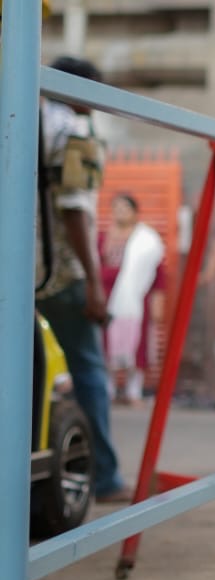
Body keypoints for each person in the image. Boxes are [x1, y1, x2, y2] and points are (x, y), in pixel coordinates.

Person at [36, 57, 129, 503]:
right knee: (90, 372)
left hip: (19, 271)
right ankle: (106, 476)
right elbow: (76, 208)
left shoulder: (26, 113)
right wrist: (94, 283)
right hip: (60, 274)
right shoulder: (77, 130)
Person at [99, 193, 166, 403]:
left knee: (138, 344)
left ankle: (133, 390)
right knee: (105, 341)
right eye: (116, 207)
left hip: (135, 298)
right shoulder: (102, 236)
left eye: (125, 208)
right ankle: (107, 389)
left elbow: (158, 272)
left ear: (135, 212)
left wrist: (158, 300)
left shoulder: (146, 239)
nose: (120, 212)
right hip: (106, 296)